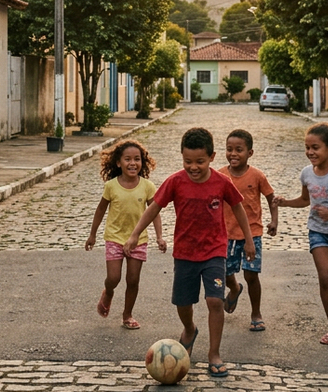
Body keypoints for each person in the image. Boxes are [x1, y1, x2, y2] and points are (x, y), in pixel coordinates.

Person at [126, 127, 254, 378]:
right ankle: (189, 328)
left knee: (215, 301)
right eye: (187, 161)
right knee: (183, 303)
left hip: (214, 251)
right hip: (185, 252)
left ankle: (214, 354)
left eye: (200, 161)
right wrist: (134, 234)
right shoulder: (175, 181)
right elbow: (154, 208)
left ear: (212, 157)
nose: (193, 167)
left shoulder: (221, 182)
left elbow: (239, 209)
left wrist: (249, 240)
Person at [273, 122, 328, 346]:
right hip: (318, 233)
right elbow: (305, 200)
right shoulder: (306, 173)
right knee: (325, 279)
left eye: (315, 148)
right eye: (307, 147)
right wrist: (285, 203)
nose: (310, 152)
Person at [85, 139, 165, 331]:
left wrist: (159, 236)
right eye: (127, 159)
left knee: (133, 280)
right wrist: (92, 235)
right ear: (118, 163)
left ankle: (127, 314)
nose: (132, 163)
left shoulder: (147, 186)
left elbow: (154, 211)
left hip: (139, 240)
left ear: (142, 163)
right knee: (114, 277)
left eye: (137, 159)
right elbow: (100, 210)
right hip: (114, 237)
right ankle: (108, 292)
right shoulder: (111, 186)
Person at [218, 129, 277, 332]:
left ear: (250, 153)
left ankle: (256, 313)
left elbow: (271, 198)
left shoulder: (257, 175)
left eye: (239, 150)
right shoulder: (220, 175)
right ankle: (234, 288)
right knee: (224, 272)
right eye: (229, 149)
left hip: (252, 233)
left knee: (251, 275)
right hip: (226, 234)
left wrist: (274, 221)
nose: (233, 154)